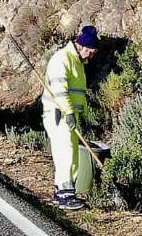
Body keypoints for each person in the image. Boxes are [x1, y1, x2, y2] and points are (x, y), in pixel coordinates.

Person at [42, 25, 99, 210]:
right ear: (81, 46)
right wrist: (68, 113)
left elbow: (77, 94)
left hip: (69, 116)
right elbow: (60, 92)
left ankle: (65, 193)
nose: (91, 56)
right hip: (59, 115)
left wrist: (82, 116)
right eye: (90, 52)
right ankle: (64, 196)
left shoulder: (77, 62)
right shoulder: (62, 60)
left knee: (71, 154)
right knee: (65, 154)